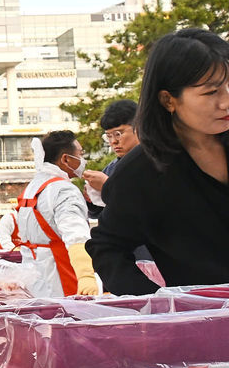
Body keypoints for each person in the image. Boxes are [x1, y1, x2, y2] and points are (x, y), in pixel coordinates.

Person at [88, 29, 229, 294]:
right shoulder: (141, 172)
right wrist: (161, 305)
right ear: (168, 100)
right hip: (210, 324)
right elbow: (107, 248)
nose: (226, 102)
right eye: (211, 93)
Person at [14, 131, 99, 298]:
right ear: (66, 159)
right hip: (61, 274)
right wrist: (86, 275)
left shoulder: (32, 186)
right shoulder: (64, 190)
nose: (83, 160)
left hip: (33, 275)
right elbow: (76, 235)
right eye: (80, 154)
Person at [84, 99, 140, 215]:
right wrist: (91, 199)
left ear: (139, 128)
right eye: (108, 136)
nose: (113, 141)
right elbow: (101, 212)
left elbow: (147, 206)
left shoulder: (158, 163)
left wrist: (107, 187)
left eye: (118, 134)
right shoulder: (112, 167)